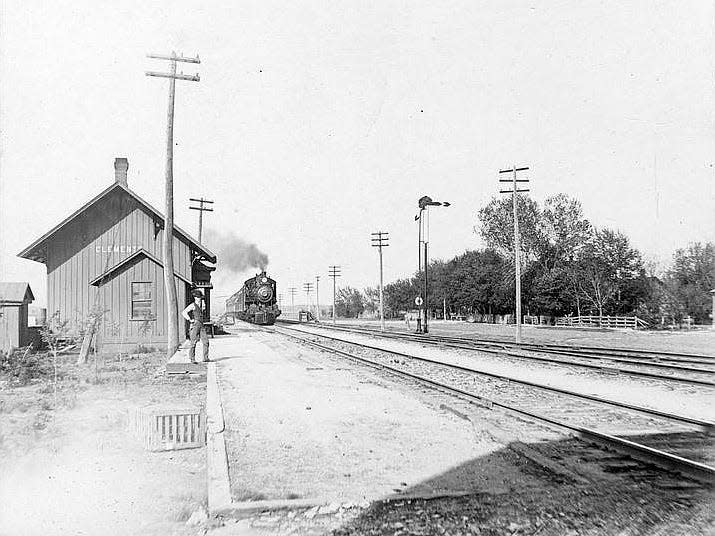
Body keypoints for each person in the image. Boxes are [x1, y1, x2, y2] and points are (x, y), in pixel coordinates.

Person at [182, 289, 210, 363]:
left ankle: (205, 358)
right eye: (199, 297)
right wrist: (190, 319)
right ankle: (192, 359)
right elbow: (184, 312)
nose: (200, 299)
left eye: (200, 297)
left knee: (206, 341)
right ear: (195, 297)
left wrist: (203, 305)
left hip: (201, 325)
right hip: (195, 325)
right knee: (193, 342)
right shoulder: (192, 305)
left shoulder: (201, 305)